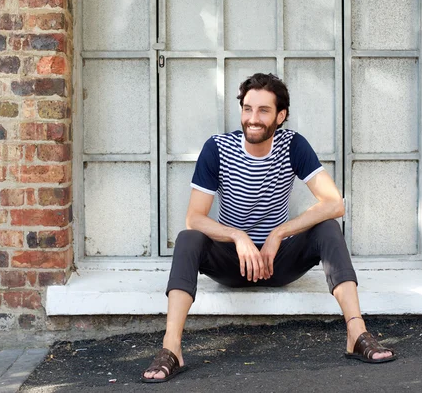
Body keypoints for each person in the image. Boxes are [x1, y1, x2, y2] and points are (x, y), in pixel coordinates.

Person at [142, 73, 396, 383]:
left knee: (328, 227)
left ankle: (357, 333)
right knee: (188, 239)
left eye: (263, 110)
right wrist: (238, 236)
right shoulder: (218, 148)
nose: (253, 118)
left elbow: (334, 203)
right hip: (233, 263)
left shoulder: (293, 145)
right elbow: (194, 218)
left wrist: (279, 233)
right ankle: (172, 349)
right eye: (247, 109)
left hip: (279, 262)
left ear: (281, 115)